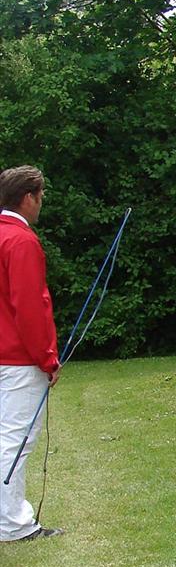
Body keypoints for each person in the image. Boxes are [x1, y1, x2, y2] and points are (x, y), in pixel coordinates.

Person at [0, 166, 64, 542]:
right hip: (17, 359)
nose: (41, 204)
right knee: (15, 441)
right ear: (28, 197)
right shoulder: (20, 241)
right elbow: (29, 307)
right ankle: (13, 524)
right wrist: (47, 358)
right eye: (40, 197)